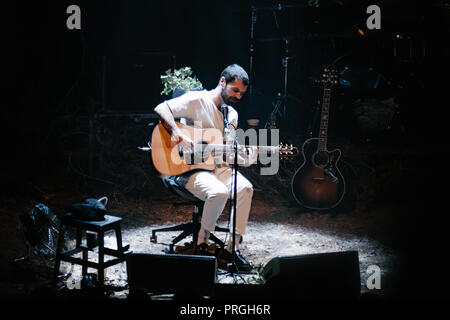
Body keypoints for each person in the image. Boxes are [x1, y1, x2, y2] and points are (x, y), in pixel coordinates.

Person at [154, 64, 257, 270]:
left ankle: (231, 250)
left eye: (242, 93)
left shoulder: (232, 115)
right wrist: (178, 133)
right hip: (188, 168)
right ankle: (201, 244)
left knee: (245, 188)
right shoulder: (197, 100)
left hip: (217, 166)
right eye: (235, 90)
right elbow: (161, 108)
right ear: (222, 82)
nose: (238, 96)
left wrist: (246, 158)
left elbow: (227, 151)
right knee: (219, 192)